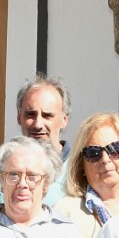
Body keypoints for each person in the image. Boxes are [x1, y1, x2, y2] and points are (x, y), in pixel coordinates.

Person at [14, 76, 71, 207]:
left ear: (64, 120)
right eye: (30, 114)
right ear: (19, 117)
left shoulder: (81, 171)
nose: (38, 124)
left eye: (47, 115)